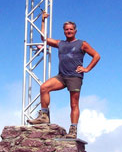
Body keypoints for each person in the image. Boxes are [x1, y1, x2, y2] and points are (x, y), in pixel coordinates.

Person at [27, 11, 100, 139]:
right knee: (44, 87)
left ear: (75, 31)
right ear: (64, 31)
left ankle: (73, 130)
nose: (69, 31)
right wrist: (43, 21)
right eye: (66, 30)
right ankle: (44, 115)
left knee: (73, 104)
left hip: (74, 77)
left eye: (71, 29)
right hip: (61, 76)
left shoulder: (82, 44)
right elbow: (44, 38)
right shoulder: (60, 43)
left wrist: (87, 68)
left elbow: (96, 55)